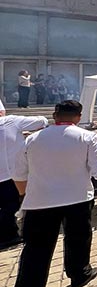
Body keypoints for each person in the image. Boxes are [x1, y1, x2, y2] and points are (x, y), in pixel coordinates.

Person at [8, 100, 97, 287]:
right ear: (78, 117)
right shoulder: (87, 137)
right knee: (77, 239)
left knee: (35, 250)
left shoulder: (31, 140)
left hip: (40, 203)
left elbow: (19, 174)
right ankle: (79, 274)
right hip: (77, 199)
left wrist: (24, 195)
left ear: (54, 115)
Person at [0, 100, 48, 249]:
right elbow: (42, 120)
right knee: (12, 205)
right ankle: (10, 236)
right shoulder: (11, 121)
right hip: (11, 173)